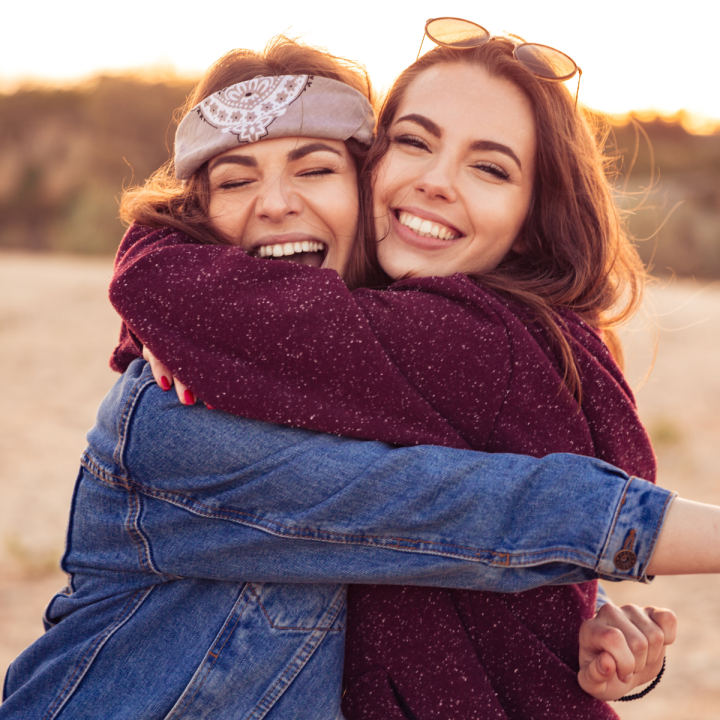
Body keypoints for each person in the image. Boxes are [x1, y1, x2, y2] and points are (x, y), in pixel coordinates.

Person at [1, 35, 681, 720]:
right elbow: (460, 512)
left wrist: (592, 629)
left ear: (363, 184)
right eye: (235, 181)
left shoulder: (409, 364)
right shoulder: (171, 411)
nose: (273, 204)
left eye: (315, 169)